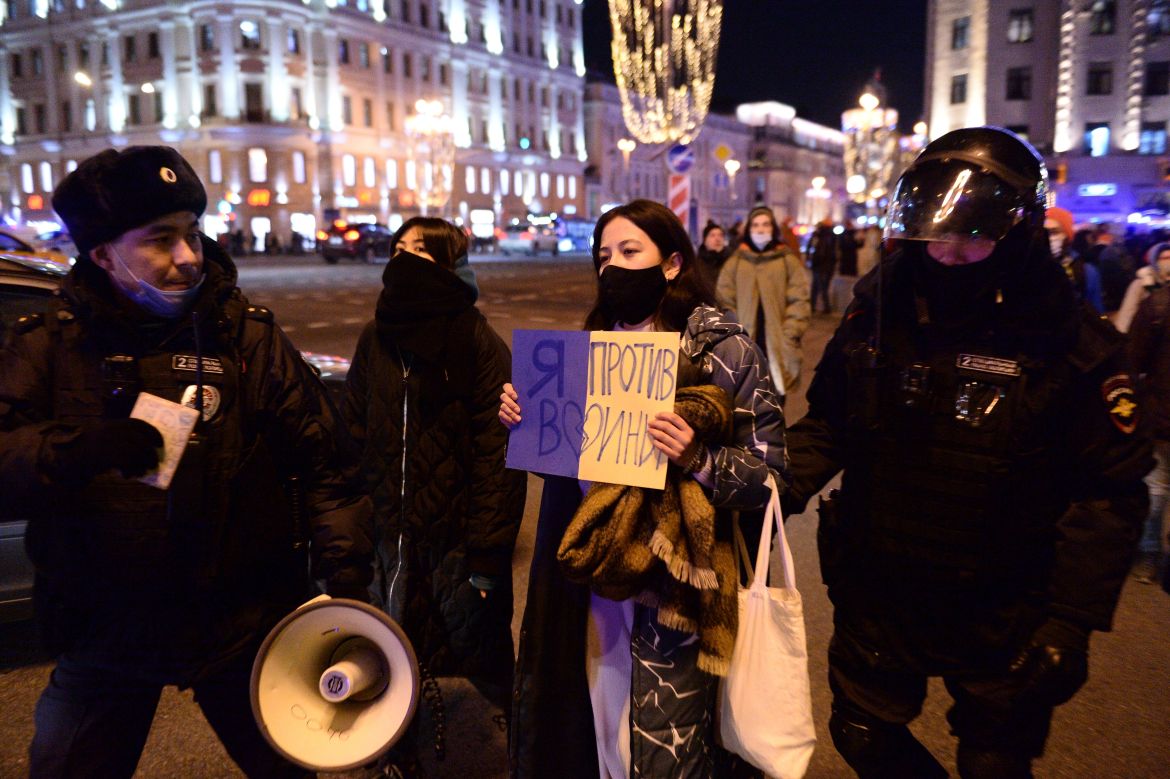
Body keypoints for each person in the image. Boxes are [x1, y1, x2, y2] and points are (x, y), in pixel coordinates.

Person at [783, 127, 1151, 778]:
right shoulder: (877, 311)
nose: (948, 252)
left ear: (1018, 234)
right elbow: (828, 424)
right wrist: (771, 485)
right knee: (862, 731)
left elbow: (1111, 490)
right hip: (883, 581)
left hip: (1005, 602)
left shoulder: (1069, 339)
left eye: (973, 236)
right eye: (936, 233)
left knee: (994, 761)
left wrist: (1071, 621)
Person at [0, 146, 374, 778]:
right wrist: (76, 449)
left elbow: (325, 463)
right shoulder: (50, 343)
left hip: (241, 627)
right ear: (102, 253)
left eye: (192, 234)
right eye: (160, 240)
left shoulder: (246, 336)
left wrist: (347, 578)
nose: (188, 258)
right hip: (105, 633)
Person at [501, 199, 787, 778]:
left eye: (631, 252)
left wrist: (698, 457)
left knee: (666, 748)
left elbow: (769, 474)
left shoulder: (722, 351)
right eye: (603, 256)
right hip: (596, 578)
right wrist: (528, 423)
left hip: (675, 587)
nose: (613, 268)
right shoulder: (593, 344)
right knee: (603, 731)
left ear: (674, 263)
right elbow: (576, 467)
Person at [341, 216, 526, 772]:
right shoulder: (375, 337)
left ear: (448, 263)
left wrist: (488, 554)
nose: (403, 259)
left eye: (418, 251)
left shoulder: (475, 340)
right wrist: (346, 525)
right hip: (385, 545)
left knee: (464, 681)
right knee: (383, 672)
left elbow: (499, 457)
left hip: (455, 550)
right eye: (398, 249)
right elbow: (351, 430)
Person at [716, 205, 811, 402]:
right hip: (745, 343)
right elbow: (724, 299)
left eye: (766, 225)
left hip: (777, 344)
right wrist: (734, 332)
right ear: (749, 229)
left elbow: (799, 300)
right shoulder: (735, 262)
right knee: (744, 401)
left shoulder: (787, 261)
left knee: (776, 402)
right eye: (756, 225)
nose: (760, 230)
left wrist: (790, 333)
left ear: (773, 229)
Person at [1129, 283, 1170, 584]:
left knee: (1156, 488)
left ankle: (1148, 552)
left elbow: (1133, 359)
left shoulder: (1159, 302)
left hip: (1162, 413)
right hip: (1161, 414)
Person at [1046, 206, 1103, 313]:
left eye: (1054, 232)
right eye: (1043, 232)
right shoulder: (1027, 267)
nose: (1048, 238)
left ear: (1067, 236)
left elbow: (1096, 312)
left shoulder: (1086, 272)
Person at [1114, 242, 1170, 333]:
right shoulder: (1141, 284)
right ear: (1155, 261)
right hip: (1147, 335)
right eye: (1164, 258)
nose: (1168, 261)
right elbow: (1127, 313)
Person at [807, 218, 840, 314]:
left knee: (819, 286)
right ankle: (819, 306)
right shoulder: (831, 236)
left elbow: (817, 250)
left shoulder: (821, 236)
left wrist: (811, 260)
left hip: (820, 265)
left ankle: (821, 307)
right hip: (825, 265)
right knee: (820, 286)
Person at [696, 219, 729, 289]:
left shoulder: (730, 261)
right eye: (712, 235)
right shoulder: (696, 265)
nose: (717, 239)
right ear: (705, 241)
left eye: (720, 235)